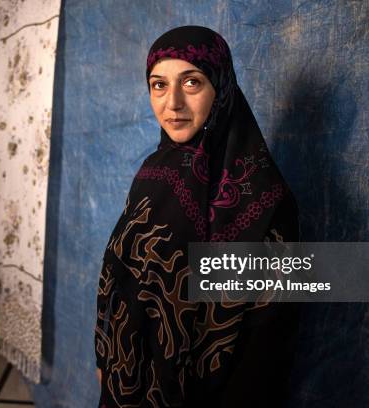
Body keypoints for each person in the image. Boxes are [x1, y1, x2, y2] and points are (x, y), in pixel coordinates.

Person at [95, 26, 300, 407]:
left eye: (191, 82)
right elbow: (122, 273)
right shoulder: (154, 172)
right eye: (158, 85)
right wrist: (108, 355)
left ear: (220, 88)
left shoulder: (263, 195)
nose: (171, 103)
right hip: (131, 381)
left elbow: (267, 335)